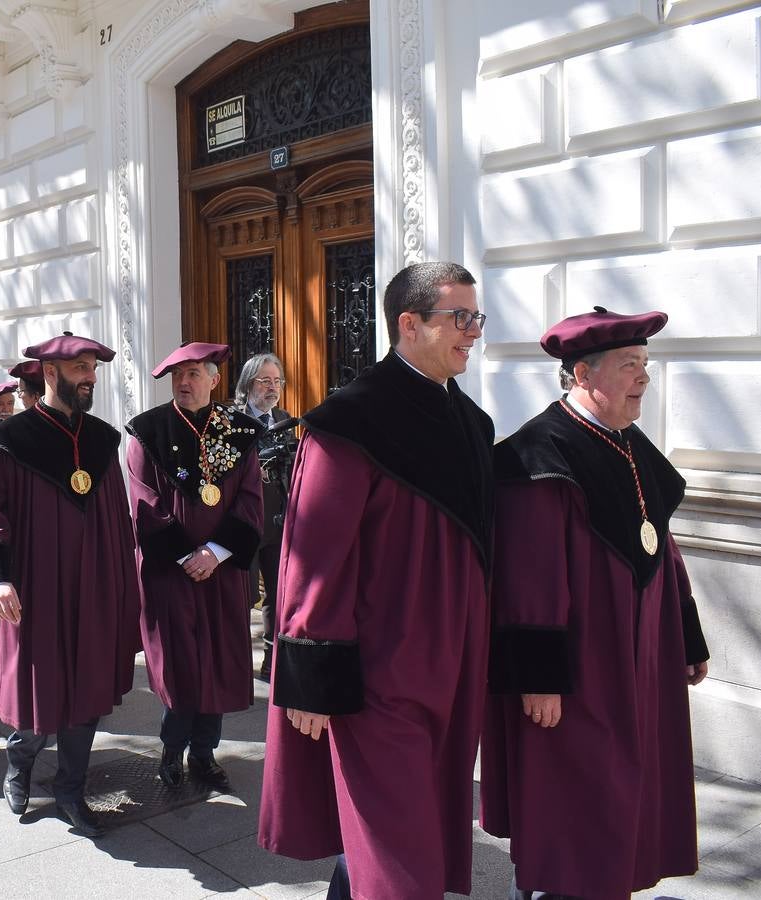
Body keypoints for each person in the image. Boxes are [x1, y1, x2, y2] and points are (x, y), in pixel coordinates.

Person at [258, 262, 494, 899]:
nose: (473, 332)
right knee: (400, 858)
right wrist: (307, 680)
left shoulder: (473, 424)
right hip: (378, 676)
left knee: (403, 835)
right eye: (460, 318)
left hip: (451, 668)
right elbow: (313, 556)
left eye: (477, 317)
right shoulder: (348, 421)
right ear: (409, 324)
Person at [480, 307, 711, 899]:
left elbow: (666, 548)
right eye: (631, 365)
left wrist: (685, 635)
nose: (644, 379)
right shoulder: (536, 455)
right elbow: (529, 576)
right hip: (576, 670)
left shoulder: (629, 444)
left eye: (645, 366)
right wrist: (538, 678)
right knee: (573, 800)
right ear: (584, 372)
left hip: (640, 660)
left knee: (624, 797)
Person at [0, 333, 141, 838]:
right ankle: (20, 763)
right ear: (50, 373)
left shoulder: (102, 439)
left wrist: (120, 581)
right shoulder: (11, 440)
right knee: (38, 702)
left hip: (91, 590)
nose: (90, 377)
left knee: (86, 695)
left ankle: (71, 788)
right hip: (35, 591)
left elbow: (117, 517)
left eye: (93, 368)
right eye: (81, 368)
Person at [126, 342, 263, 793]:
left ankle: (204, 754)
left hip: (220, 573)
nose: (183, 383)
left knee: (218, 662)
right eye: (176, 376)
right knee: (179, 665)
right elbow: (145, 502)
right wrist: (188, 555)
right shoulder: (148, 431)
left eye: (193, 375)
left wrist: (215, 553)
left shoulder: (239, 433)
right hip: (171, 572)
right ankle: (171, 751)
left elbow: (249, 500)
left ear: (214, 379)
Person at [233, 352, 297, 681]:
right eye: (265, 381)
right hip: (244, 522)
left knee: (278, 592)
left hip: (277, 521)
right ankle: (235, 663)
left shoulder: (285, 419)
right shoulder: (232, 420)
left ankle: (271, 661)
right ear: (248, 384)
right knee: (243, 595)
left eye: (277, 381)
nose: (273, 388)